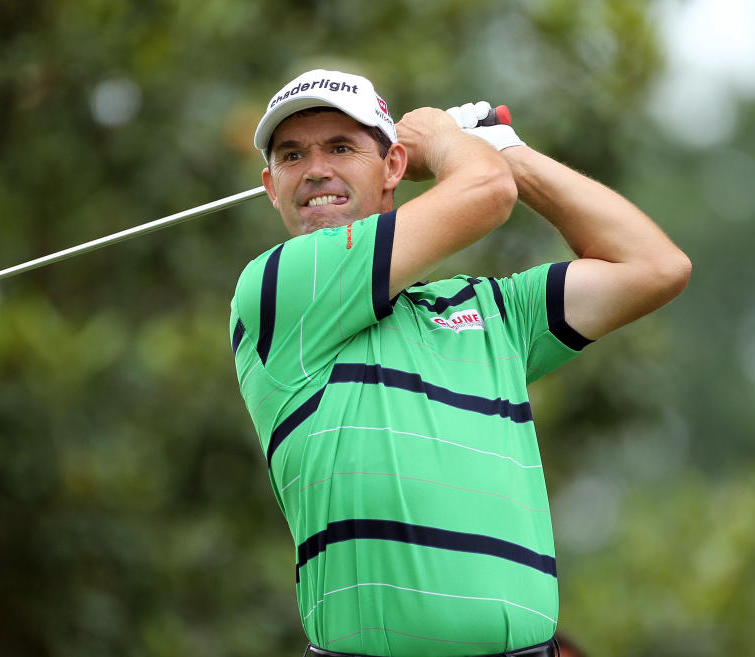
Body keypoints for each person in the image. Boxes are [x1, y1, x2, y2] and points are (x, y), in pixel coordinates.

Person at [229, 69, 690, 657]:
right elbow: (486, 195)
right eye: (293, 155)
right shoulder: (277, 290)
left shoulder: (489, 311)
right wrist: (449, 143)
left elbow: (655, 267)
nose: (316, 168)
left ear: (393, 166)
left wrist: (510, 153)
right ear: (271, 186)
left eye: (342, 147)